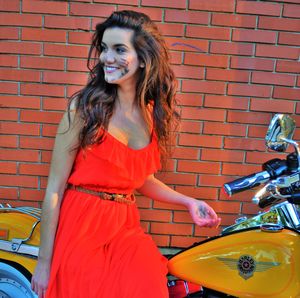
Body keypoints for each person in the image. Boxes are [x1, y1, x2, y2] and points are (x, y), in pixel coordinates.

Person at [31, 10, 221, 298]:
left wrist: (188, 202)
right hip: (81, 225)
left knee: (149, 286)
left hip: (124, 226)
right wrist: (44, 262)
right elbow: (55, 190)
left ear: (143, 58)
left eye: (120, 49)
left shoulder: (150, 114)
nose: (107, 58)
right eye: (105, 48)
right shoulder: (84, 109)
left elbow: (140, 178)